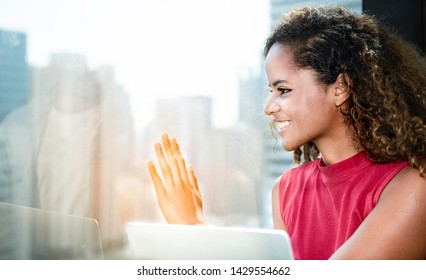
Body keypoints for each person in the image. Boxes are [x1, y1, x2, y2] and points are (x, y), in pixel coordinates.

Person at [146, 6, 426, 260]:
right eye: (271, 91)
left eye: (284, 90)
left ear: (340, 88)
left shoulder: (413, 186)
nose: (268, 108)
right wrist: (194, 229)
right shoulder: (287, 189)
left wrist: (197, 230)